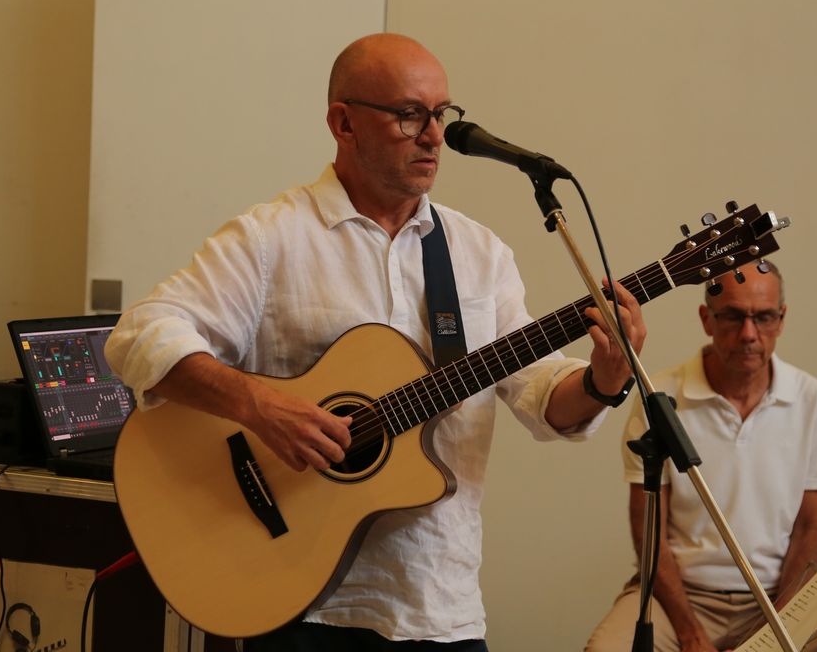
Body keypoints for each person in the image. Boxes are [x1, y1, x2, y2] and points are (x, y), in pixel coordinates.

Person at [104, 32, 646, 651]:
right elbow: (139, 336)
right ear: (343, 122)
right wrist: (259, 404)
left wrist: (605, 378)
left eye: (442, 114)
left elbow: (541, 397)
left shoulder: (478, 254)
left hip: (438, 602)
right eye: (409, 114)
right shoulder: (271, 238)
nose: (435, 135)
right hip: (297, 603)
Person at [585, 263, 817, 652]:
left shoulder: (811, 399)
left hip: (780, 597)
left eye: (764, 317)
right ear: (707, 319)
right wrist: (691, 634)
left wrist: (779, 630)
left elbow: (812, 530)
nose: (749, 334)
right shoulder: (661, 396)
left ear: (781, 319)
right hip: (680, 599)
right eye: (733, 316)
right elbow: (649, 535)